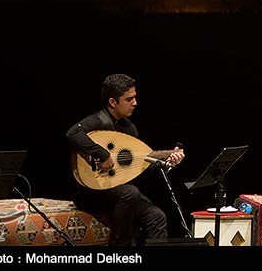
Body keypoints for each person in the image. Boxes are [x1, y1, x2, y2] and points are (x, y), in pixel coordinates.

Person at [66, 73, 185, 246]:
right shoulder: (97, 121)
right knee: (130, 192)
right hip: (88, 191)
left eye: (135, 98)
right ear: (113, 102)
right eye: (129, 99)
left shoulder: (128, 129)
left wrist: (167, 162)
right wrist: (103, 154)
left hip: (115, 190)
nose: (135, 103)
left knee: (156, 216)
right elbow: (73, 133)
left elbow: (141, 161)